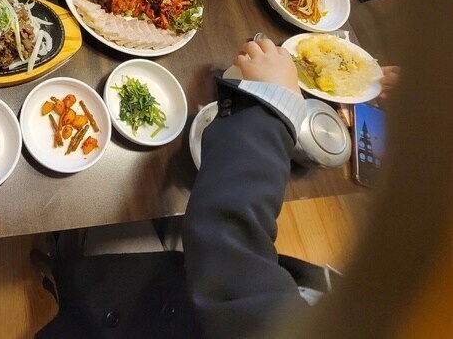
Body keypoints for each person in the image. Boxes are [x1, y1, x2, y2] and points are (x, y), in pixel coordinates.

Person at [36, 39, 338, 338]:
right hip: (197, 298)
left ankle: (59, 257)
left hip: (142, 321)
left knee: (103, 206)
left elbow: (232, 259)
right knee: (169, 202)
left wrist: (272, 109)